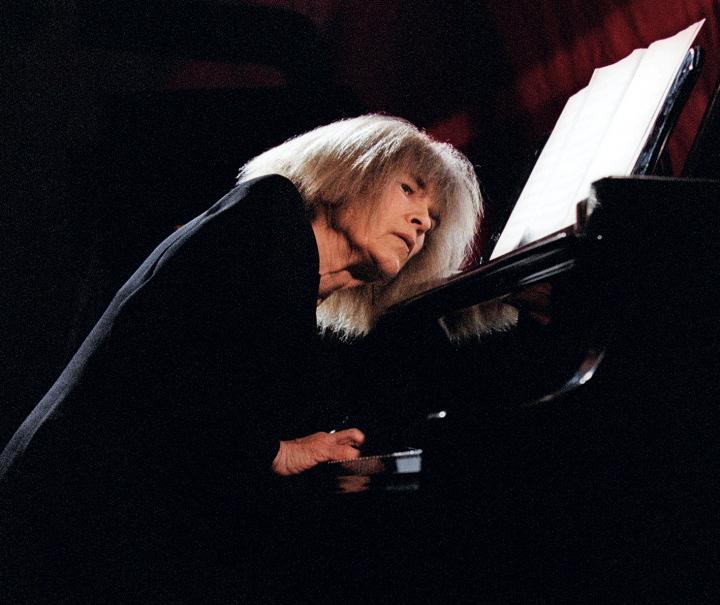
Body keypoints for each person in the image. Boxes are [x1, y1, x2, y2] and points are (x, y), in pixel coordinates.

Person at [0, 114, 508, 602]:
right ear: (351, 170)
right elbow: (180, 373)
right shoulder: (267, 214)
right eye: (409, 189)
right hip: (67, 521)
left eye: (432, 221)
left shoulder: (289, 272)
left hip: (104, 519)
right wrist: (274, 452)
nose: (422, 221)